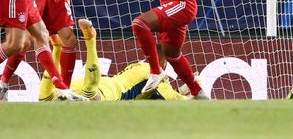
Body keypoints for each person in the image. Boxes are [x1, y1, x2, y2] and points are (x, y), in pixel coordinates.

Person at [38, 19, 187, 101]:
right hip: (109, 90)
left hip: (82, 83)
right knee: (90, 95)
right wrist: (192, 92)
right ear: (164, 63)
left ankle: (57, 47)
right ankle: (90, 40)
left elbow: (143, 96)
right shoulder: (158, 76)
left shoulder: (135, 66)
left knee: (46, 99)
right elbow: (175, 100)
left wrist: (181, 89)